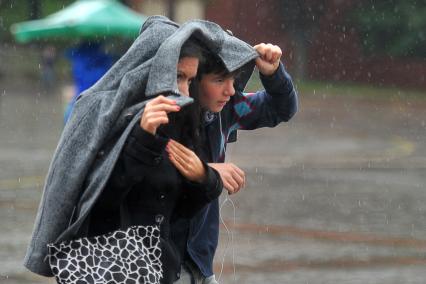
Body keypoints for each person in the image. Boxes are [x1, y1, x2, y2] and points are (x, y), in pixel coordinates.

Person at [23, 16, 261, 283]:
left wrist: (204, 178)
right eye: (179, 76)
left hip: (165, 270)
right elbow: (100, 206)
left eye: (190, 80)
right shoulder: (103, 112)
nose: (184, 90)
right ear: (153, 69)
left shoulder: (181, 118)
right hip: (112, 270)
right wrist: (142, 141)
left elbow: (176, 210)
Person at [168, 42, 298, 283]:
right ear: (194, 80)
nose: (230, 90)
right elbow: (151, 175)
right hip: (160, 262)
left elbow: (282, 109)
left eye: (233, 79)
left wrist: (273, 73)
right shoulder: (160, 113)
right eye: (219, 81)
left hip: (201, 265)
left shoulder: (226, 110)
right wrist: (208, 172)